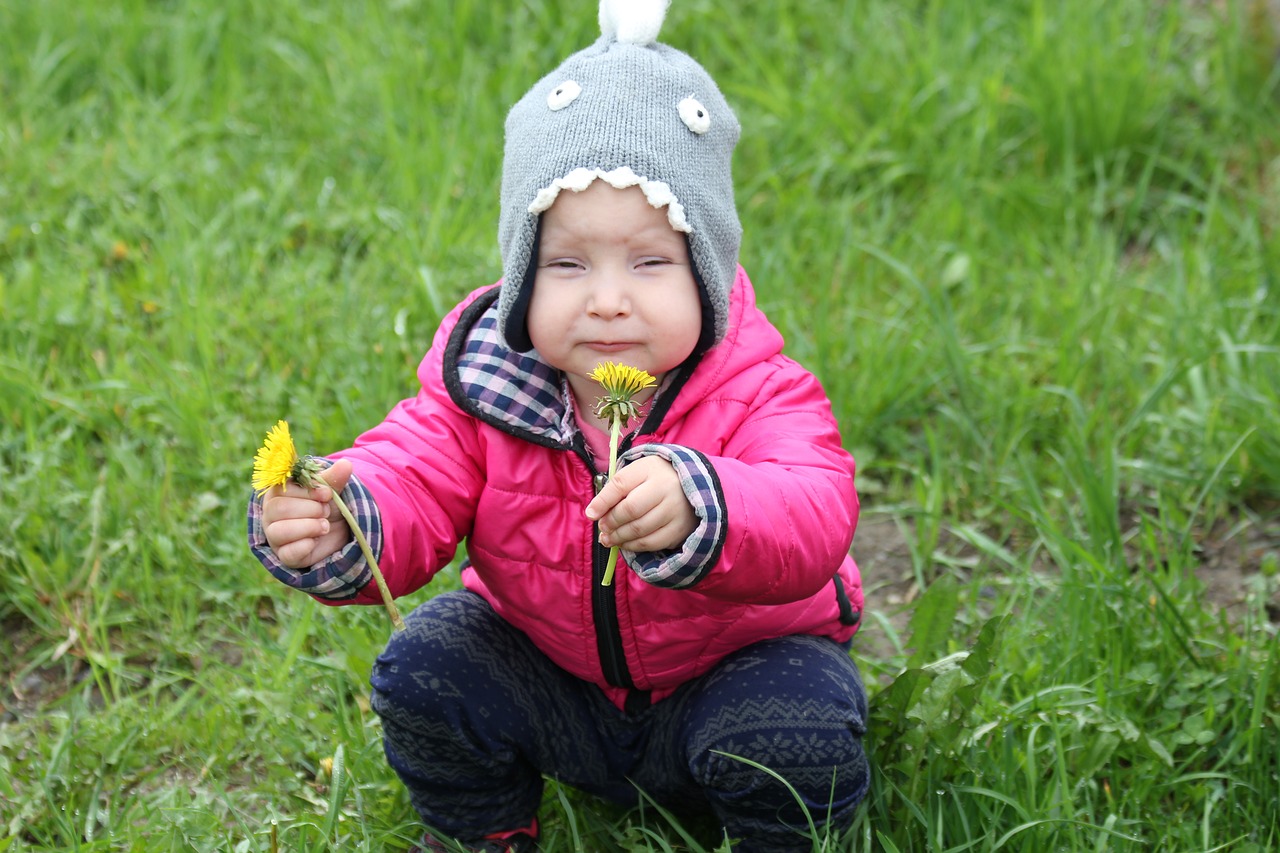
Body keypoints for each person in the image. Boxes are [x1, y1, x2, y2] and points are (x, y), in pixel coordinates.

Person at [247, 2, 868, 849]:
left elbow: (814, 511)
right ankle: (484, 831)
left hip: (724, 682)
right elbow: (411, 473)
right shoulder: (486, 392)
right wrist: (343, 520)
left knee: (800, 723)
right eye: (567, 264)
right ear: (519, 280)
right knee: (427, 664)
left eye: (650, 262)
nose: (607, 297)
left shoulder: (760, 389)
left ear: (710, 273)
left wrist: (705, 502)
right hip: (557, 685)